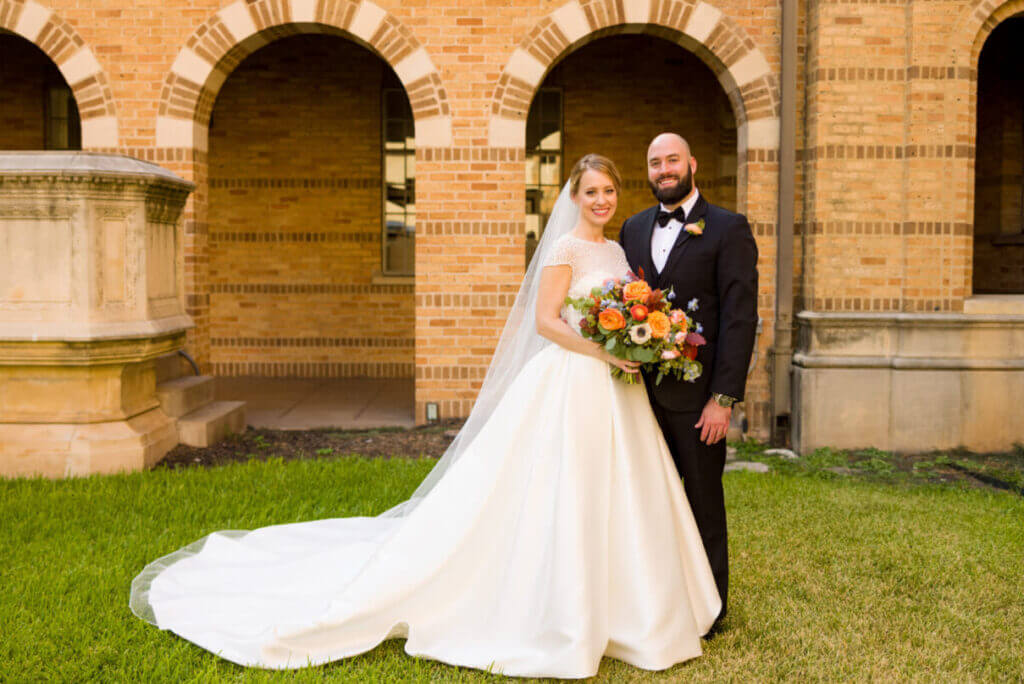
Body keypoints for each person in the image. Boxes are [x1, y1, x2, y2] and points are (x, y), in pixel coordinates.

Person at [130, 154, 720, 678]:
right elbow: (546, 322)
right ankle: (558, 606)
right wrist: (605, 350)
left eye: (609, 192)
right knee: (556, 489)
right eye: (591, 192)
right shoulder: (564, 249)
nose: (601, 200)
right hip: (573, 381)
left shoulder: (617, 249)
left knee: (619, 489)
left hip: (617, 388)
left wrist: (634, 348)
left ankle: (631, 606)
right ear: (573, 197)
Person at [619, 134, 759, 634]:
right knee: (645, 501)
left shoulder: (728, 228)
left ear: (692, 164)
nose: (664, 170)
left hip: (699, 400)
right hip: (635, 398)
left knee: (702, 502)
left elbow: (740, 319)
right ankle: (652, 602)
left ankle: (709, 611)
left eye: (672, 160)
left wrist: (723, 400)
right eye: (655, 162)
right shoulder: (632, 228)